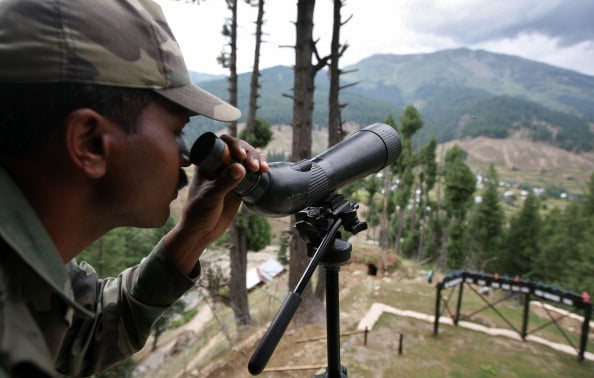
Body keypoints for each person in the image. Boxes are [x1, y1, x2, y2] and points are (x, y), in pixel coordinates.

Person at [0, 0, 268, 376]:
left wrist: (191, 237)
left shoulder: (24, 271)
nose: (187, 157)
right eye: (176, 131)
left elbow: (83, 333)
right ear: (90, 143)